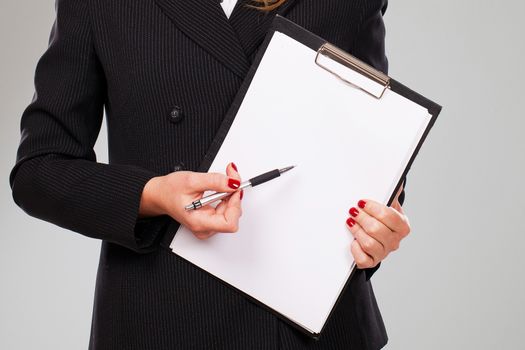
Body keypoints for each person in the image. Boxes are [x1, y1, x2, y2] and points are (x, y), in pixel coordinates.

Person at [9, 0, 411, 349]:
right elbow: (39, 169)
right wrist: (152, 194)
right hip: (164, 317)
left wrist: (377, 226)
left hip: (309, 328)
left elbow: (368, 142)